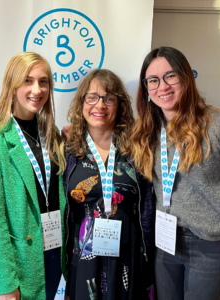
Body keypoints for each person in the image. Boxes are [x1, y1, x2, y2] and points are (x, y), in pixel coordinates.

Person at [131, 46, 220, 300]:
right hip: (165, 241)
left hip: (210, 247)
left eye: (170, 76)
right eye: (153, 80)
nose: (162, 86)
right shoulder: (148, 132)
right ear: (146, 90)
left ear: (186, 77)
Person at [0, 52, 67, 300]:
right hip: (23, 264)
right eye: (27, 80)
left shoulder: (52, 135)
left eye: (43, 81)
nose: (37, 89)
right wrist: (5, 285)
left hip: (58, 251)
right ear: (12, 86)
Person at [63, 69, 155, 300]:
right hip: (83, 254)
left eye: (109, 98)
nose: (100, 105)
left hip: (128, 253)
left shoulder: (137, 149)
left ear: (119, 105)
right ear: (82, 102)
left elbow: (148, 206)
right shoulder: (68, 151)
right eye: (92, 97)